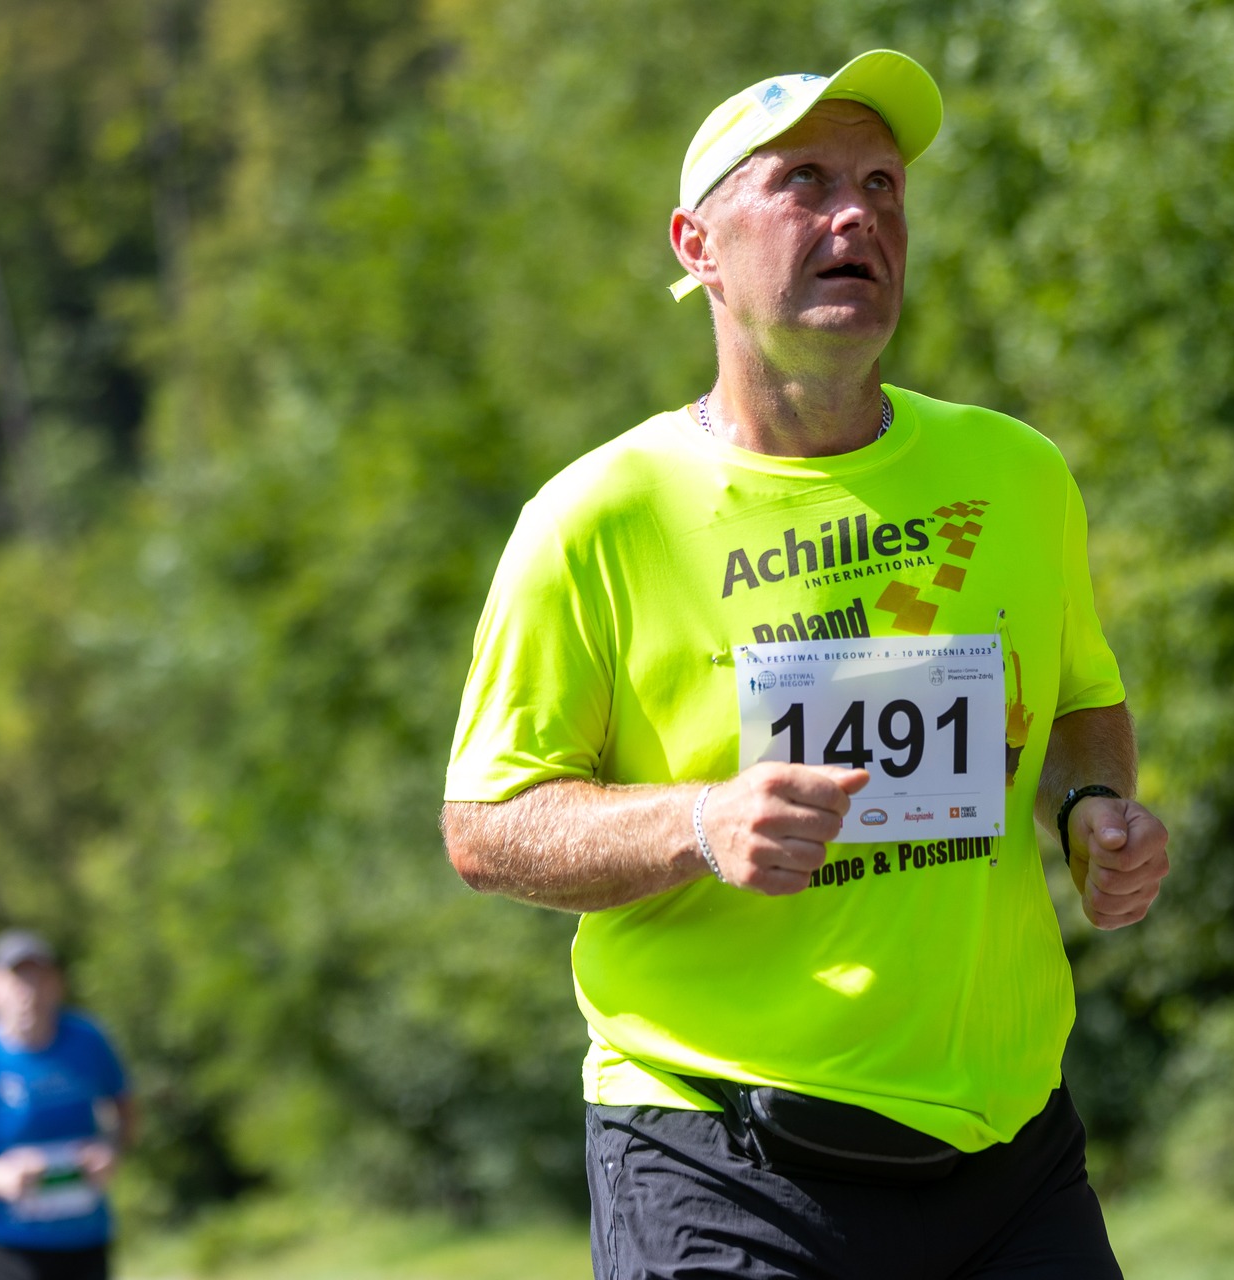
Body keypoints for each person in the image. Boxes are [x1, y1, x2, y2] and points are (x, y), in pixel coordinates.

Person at [441, 48, 1171, 1278]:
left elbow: (1082, 699)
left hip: (1008, 1144)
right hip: (720, 1149)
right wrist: (703, 821)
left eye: (883, 185)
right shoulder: (596, 517)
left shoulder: (1016, 473)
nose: (856, 216)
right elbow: (486, 826)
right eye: (804, 183)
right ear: (698, 247)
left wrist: (1093, 805)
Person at [0, 930, 134, 1280]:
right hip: (10, 1244)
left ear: (57, 983)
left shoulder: (89, 1041)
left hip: (86, 1238)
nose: (28, 990)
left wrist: (109, 1149)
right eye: (16, 978)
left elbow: (125, 1113)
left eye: (39, 977)